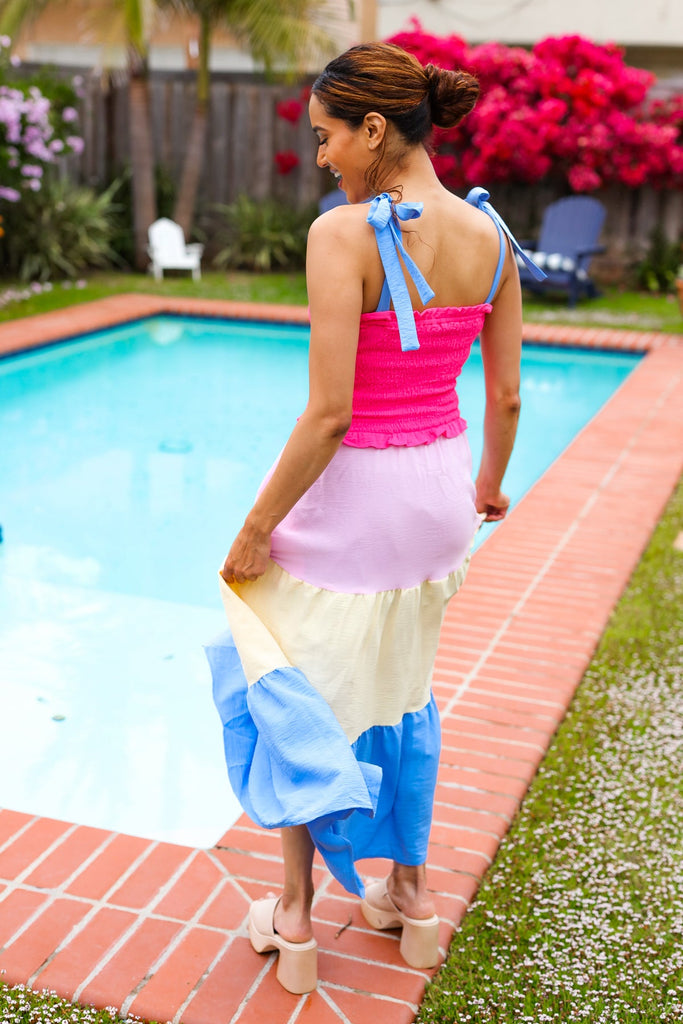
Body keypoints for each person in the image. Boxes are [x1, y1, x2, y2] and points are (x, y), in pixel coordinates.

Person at [206, 41, 543, 995]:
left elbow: (329, 416)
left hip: (353, 504)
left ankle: (300, 921)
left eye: (326, 138)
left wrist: (255, 525)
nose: (321, 160)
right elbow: (507, 397)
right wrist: (485, 485)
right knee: (402, 692)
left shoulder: (340, 234)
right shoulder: (491, 236)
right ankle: (411, 900)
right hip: (437, 501)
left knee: (290, 689)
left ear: (373, 129)